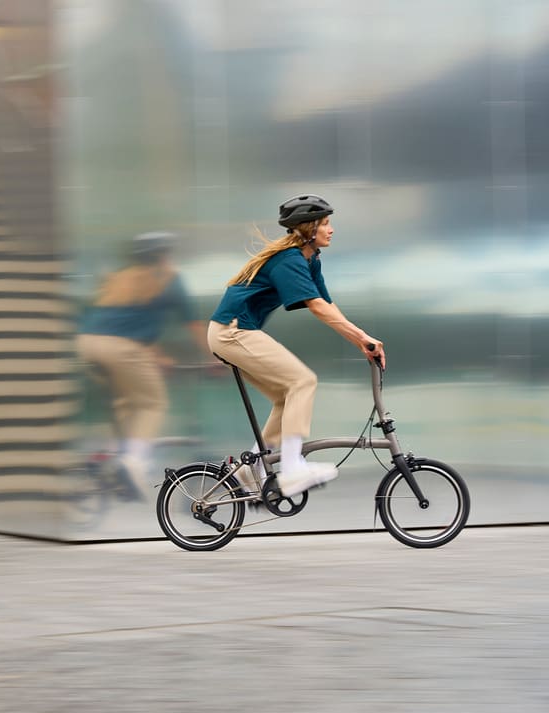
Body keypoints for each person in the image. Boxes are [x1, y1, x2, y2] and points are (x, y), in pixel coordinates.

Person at [208, 194, 386, 499]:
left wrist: (361, 340)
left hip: (234, 331)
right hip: (232, 332)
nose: (331, 229)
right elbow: (316, 307)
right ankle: (291, 468)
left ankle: (251, 468)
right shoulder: (289, 260)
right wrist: (362, 338)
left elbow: (327, 304)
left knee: (285, 396)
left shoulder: (309, 258)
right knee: (302, 381)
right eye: (325, 223)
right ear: (308, 228)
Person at [77, 233, 208, 498]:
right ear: (164, 255)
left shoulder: (121, 278)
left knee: (126, 403)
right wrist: (217, 357)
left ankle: (109, 455)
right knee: (152, 404)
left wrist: (157, 356)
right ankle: (133, 462)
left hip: (87, 345)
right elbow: (194, 326)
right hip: (122, 350)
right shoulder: (169, 279)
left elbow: (126, 323)